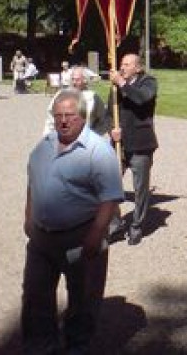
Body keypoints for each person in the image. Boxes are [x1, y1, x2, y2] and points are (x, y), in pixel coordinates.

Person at [21, 89, 123, 353]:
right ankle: (42, 346)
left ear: (82, 117)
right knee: (36, 298)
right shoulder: (43, 146)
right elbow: (33, 182)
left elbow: (110, 197)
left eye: (69, 116)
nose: (63, 121)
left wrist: (95, 235)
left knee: (82, 300)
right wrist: (28, 216)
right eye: (58, 116)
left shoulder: (98, 151)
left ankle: (77, 346)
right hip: (41, 239)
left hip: (81, 237)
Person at [107, 54, 158, 246]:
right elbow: (108, 112)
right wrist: (111, 130)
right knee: (108, 185)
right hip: (118, 145)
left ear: (138, 68)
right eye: (121, 64)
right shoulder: (115, 86)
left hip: (141, 145)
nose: (122, 67)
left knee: (140, 190)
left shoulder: (148, 82)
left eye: (127, 64)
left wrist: (121, 83)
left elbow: (141, 99)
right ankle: (115, 225)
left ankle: (136, 226)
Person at [44, 67, 110, 136]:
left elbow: (104, 119)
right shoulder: (61, 94)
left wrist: (95, 134)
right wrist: (48, 137)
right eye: (72, 79)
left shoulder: (93, 97)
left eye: (77, 80)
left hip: (85, 140)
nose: (74, 82)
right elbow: (50, 117)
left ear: (85, 80)